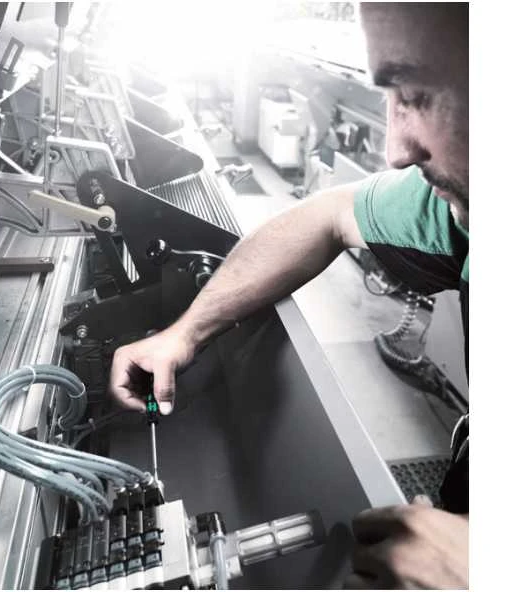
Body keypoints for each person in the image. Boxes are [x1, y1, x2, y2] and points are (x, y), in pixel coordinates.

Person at [110, 3, 469, 589]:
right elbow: (327, 217)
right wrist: (185, 333)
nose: (396, 151)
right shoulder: (465, 210)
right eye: (391, 96)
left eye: (418, 96)